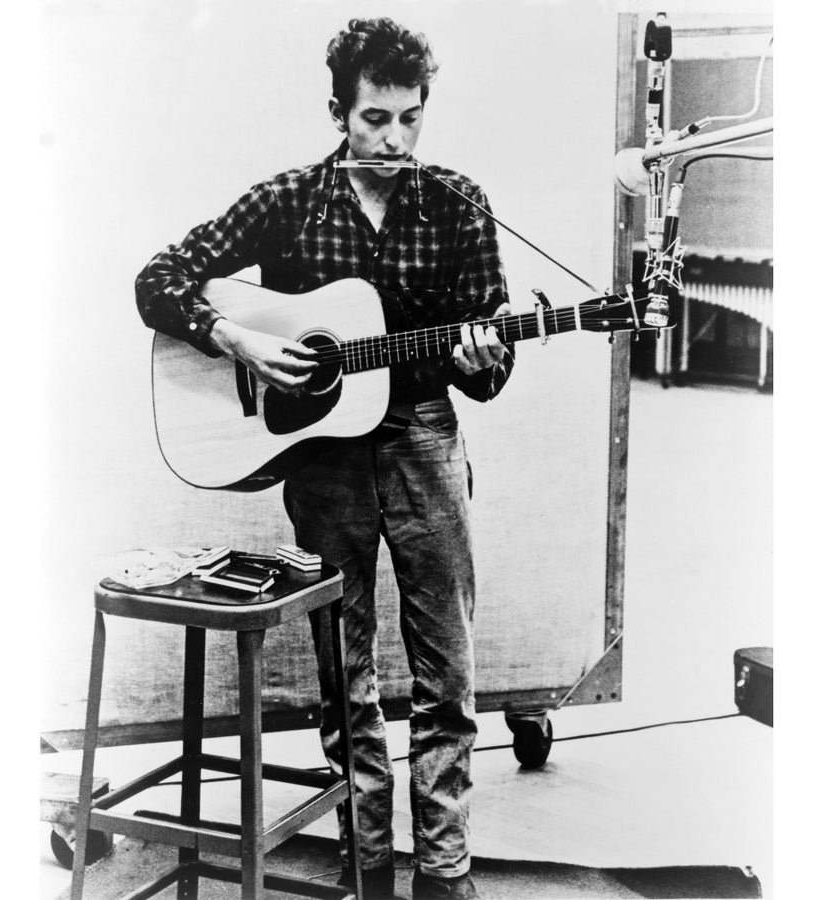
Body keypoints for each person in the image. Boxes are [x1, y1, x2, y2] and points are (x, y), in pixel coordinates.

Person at [135, 17, 513, 900]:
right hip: (326, 464)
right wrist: (238, 341)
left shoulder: (458, 201)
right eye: (375, 119)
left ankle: (446, 874)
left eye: (410, 119)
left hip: (423, 440)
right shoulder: (288, 200)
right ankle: (368, 868)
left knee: (446, 676)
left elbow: (491, 366)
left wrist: (482, 355)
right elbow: (158, 279)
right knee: (346, 678)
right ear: (339, 110)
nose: (393, 140)